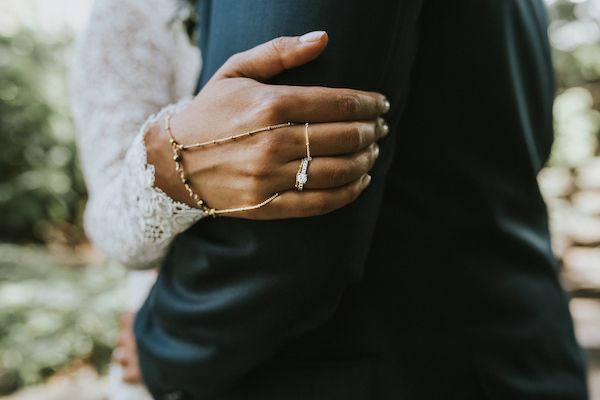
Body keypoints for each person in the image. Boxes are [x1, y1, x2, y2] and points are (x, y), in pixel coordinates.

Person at [73, 0, 589, 399]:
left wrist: (164, 341)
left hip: (379, 369)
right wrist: (165, 167)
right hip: (525, 343)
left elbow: (285, 222)